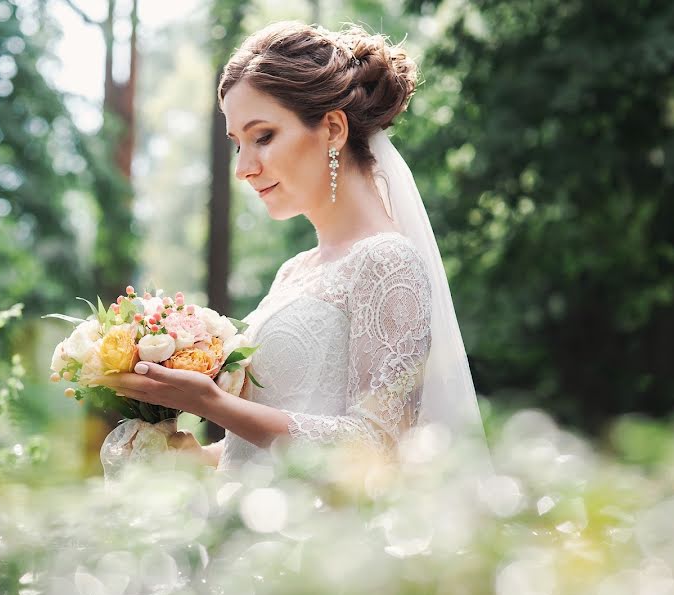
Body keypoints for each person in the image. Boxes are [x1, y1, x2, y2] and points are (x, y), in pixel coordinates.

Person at [92, 21, 488, 472]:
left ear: (334, 129)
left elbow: (377, 446)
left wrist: (213, 405)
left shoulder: (388, 261)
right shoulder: (294, 271)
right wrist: (197, 459)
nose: (244, 168)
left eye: (263, 137)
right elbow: (275, 437)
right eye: (238, 144)